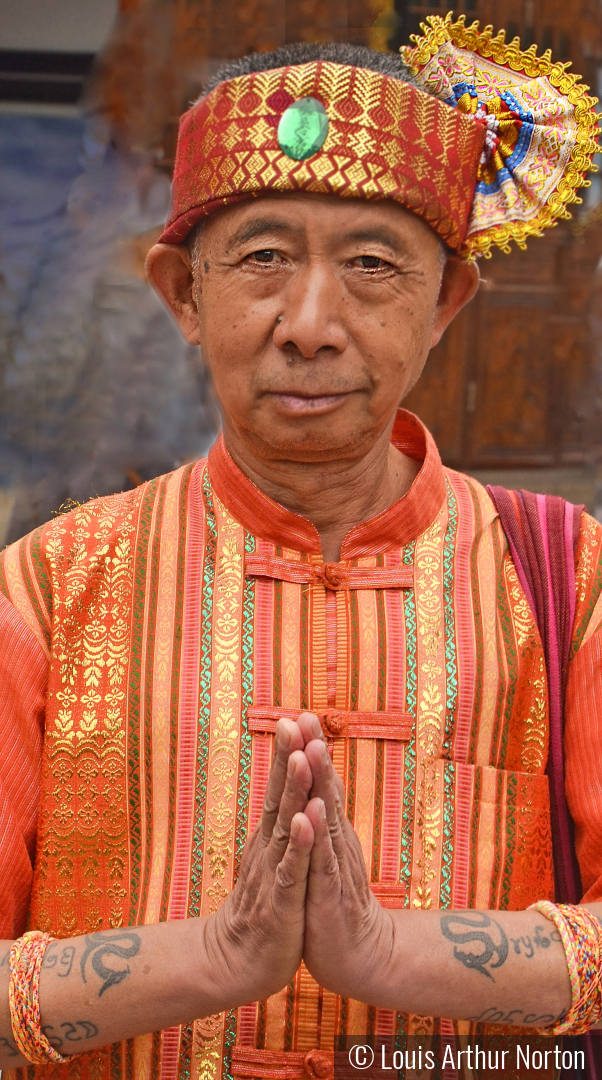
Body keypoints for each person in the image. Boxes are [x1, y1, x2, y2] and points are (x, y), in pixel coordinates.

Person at [1, 16, 601, 1080]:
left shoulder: (569, 581)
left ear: (445, 303)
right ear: (183, 295)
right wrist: (215, 958)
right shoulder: (44, 590)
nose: (310, 323)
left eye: (372, 263)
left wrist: (390, 955)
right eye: (262, 258)